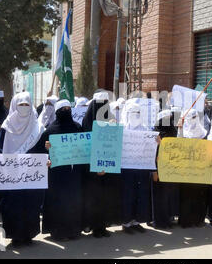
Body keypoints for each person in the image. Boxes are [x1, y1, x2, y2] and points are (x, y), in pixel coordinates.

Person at [0, 92, 46, 247]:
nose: (24, 108)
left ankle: (28, 235)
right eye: (21, 105)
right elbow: (1, 149)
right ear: (14, 106)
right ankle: (15, 236)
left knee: (31, 204)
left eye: (27, 105)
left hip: (32, 175)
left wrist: (47, 153)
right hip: (11, 176)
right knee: (13, 204)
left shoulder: (37, 126)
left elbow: (42, 149)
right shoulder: (6, 126)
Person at [37, 100, 84, 240]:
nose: (66, 110)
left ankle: (74, 230)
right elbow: (40, 152)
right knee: (58, 202)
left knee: (73, 201)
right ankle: (58, 231)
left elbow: (84, 147)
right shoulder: (50, 131)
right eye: (63, 109)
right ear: (57, 112)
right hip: (56, 175)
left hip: (73, 172)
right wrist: (46, 150)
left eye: (69, 108)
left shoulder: (77, 127)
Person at [81, 90, 119, 238]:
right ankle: (93, 226)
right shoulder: (87, 122)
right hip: (92, 168)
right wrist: (97, 167)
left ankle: (102, 226)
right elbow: (87, 146)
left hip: (107, 166)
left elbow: (113, 144)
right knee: (93, 198)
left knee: (105, 198)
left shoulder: (111, 120)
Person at [120, 103, 152, 234]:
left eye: (138, 113)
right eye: (133, 113)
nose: (135, 116)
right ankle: (126, 223)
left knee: (140, 195)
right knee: (128, 195)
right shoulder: (122, 129)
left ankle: (136, 221)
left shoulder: (146, 129)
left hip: (141, 167)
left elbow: (150, 147)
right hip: (126, 168)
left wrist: (155, 141)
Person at [177, 109, 209, 228]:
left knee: (199, 194)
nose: (194, 121)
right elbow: (177, 145)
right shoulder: (182, 132)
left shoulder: (203, 133)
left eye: (195, 117)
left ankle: (198, 220)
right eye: (191, 118)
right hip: (186, 169)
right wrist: (180, 129)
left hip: (200, 169)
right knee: (186, 195)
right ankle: (185, 221)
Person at [151, 109, 180, 229]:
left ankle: (168, 219)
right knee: (159, 196)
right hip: (159, 169)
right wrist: (154, 171)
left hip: (171, 170)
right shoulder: (154, 135)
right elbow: (151, 155)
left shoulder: (173, 132)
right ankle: (159, 221)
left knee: (168, 195)